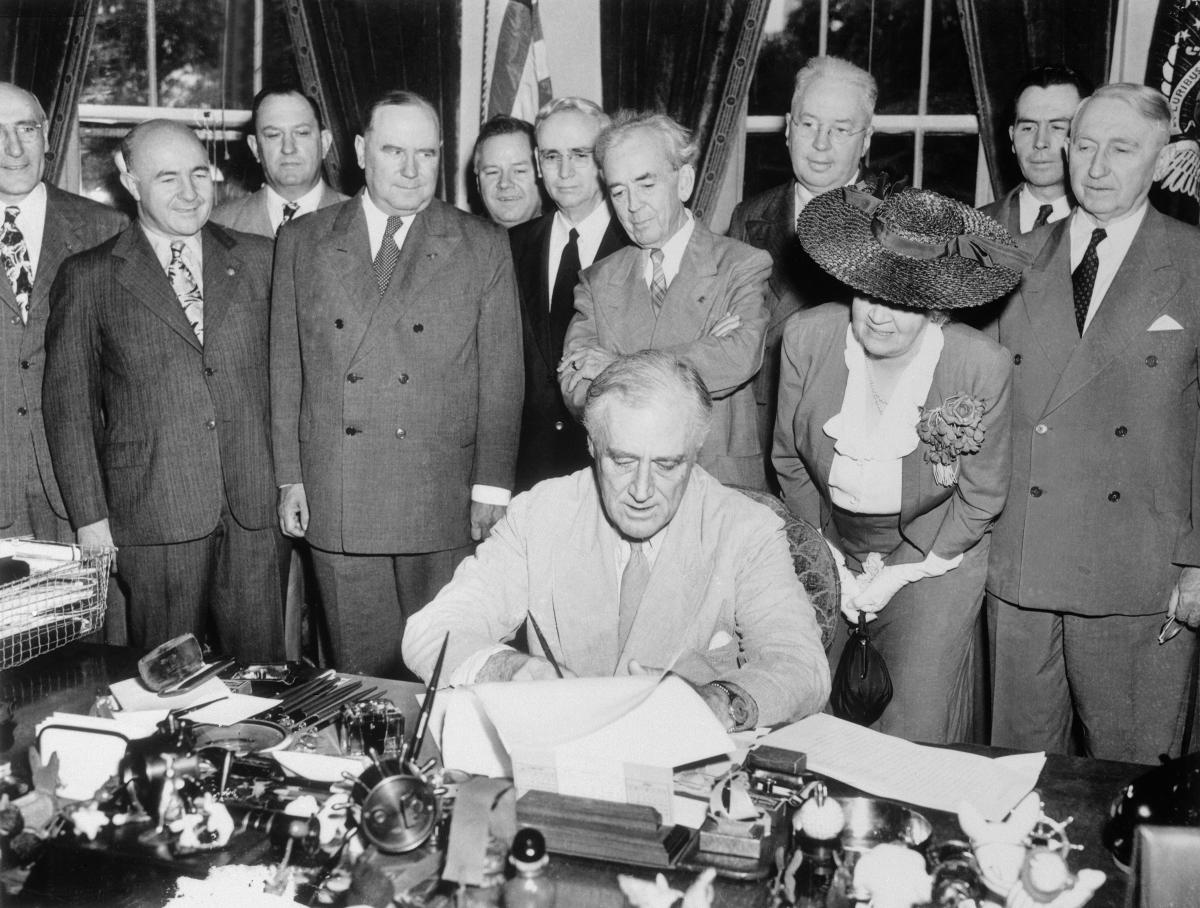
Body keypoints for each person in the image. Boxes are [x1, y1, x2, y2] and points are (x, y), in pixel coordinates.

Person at [403, 351, 830, 730]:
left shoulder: (746, 530)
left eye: (666, 465)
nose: (641, 490)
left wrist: (719, 701)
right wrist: (505, 668)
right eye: (623, 461)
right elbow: (431, 630)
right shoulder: (541, 513)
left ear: (696, 450)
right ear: (591, 445)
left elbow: (801, 665)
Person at [271, 90, 523, 679]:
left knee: (443, 669)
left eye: (427, 153)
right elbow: (286, 369)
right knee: (359, 674)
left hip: (440, 491)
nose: (412, 170)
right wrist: (290, 475)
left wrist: (491, 488)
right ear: (361, 152)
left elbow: (502, 376)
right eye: (394, 151)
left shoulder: (481, 244)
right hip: (339, 488)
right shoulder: (304, 240)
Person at [988, 83, 1200, 763]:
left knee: (1132, 789)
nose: (1098, 166)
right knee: (1014, 785)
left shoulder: (1193, 263)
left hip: (1141, 571)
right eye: (1084, 146)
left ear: (1161, 157)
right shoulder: (1007, 258)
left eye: (1122, 148)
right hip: (1020, 564)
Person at [774, 186, 1019, 744]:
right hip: (830, 537)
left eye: (903, 302)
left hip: (933, 550)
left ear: (935, 305)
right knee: (820, 712)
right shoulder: (808, 338)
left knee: (913, 721)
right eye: (867, 294)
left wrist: (906, 573)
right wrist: (828, 555)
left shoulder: (979, 365)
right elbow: (789, 458)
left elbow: (980, 496)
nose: (879, 316)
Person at [43, 120, 284, 662]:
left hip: (255, 514)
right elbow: (69, 410)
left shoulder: (261, 260)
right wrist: (90, 519)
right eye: (168, 178)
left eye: (200, 173)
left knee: (264, 679)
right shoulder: (91, 276)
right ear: (130, 182)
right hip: (154, 516)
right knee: (166, 685)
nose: (191, 192)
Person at [559, 111, 772, 489]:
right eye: (618, 191)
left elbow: (739, 355)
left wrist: (618, 364)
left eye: (646, 185)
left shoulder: (741, 264)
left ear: (684, 181)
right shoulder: (596, 280)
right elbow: (575, 386)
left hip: (720, 487)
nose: (633, 206)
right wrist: (702, 350)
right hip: (627, 490)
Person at [728, 56, 880, 481]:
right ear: (789, 128)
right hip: (762, 450)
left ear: (865, 139)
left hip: (857, 451)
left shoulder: (898, 226)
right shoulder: (749, 217)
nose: (820, 144)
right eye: (809, 124)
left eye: (840, 129)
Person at [0, 83, 127, 543]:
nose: (13, 148)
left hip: (86, 500)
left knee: (87, 619)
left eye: (26, 128)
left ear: (47, 136)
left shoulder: (106, 230)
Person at [509, 97, 631, 491]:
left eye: (580, 154)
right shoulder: (510, 247)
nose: (564, 171)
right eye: (551, 156)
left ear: (605, 158)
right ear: (537, 162)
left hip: (614, 469)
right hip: (529, 473)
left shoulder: (637, 245)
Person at [211, 86, 347, 237]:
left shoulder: (366, 222)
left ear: (325, 143)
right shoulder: (218, 227)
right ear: (255, 147)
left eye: (302, 133)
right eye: (273, 135)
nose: (288, 148)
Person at [981, 67, 1092, 236]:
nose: (1040, 142)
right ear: (1012, 137)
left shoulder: (1108, 230)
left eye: (1057, 127)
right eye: (1028, 128)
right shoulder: (969, 231)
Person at [474, 115, 543, 229]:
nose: (504, 183)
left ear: (542, 175)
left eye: (519, 171)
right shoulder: (459, 244)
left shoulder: (570, 241)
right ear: (478, 183)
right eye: (492, 172)